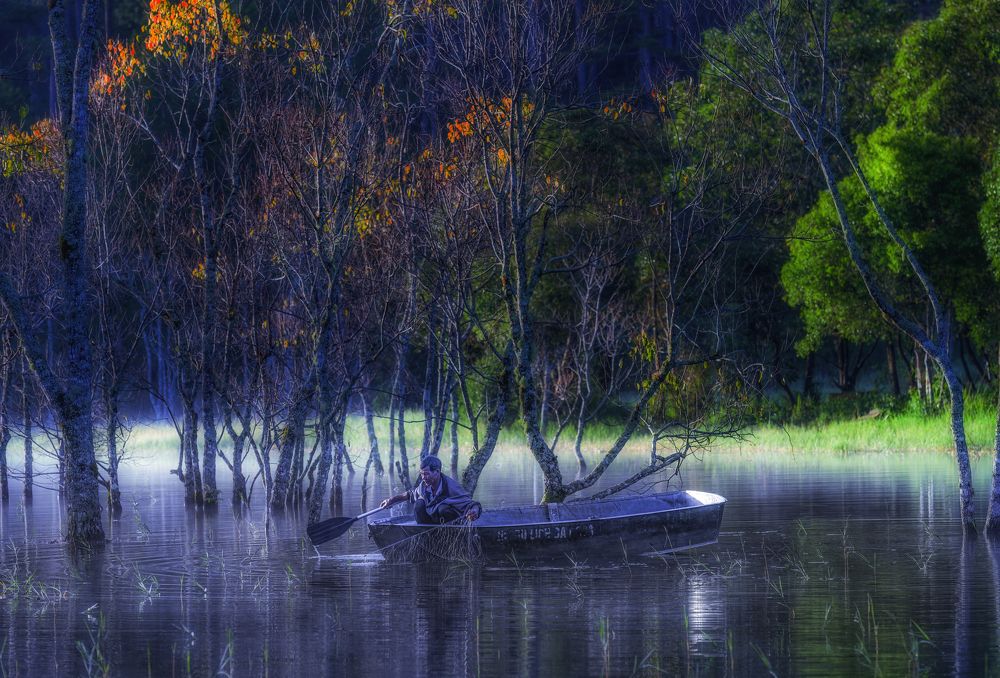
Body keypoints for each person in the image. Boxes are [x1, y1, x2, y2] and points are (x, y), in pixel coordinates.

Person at [380, 455, 481, 524]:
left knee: (443, 509)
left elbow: (472, 504)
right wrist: (391, 500)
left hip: (449, 525)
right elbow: (409, 495)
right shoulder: (424, 486)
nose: (423, 477)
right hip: (430, 523)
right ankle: (423, 535)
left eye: (426, 474)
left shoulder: (451, 487)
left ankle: (445, 538)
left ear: (437, 472)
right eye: (422, 474)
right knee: (419, 503)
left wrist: (474, 512)